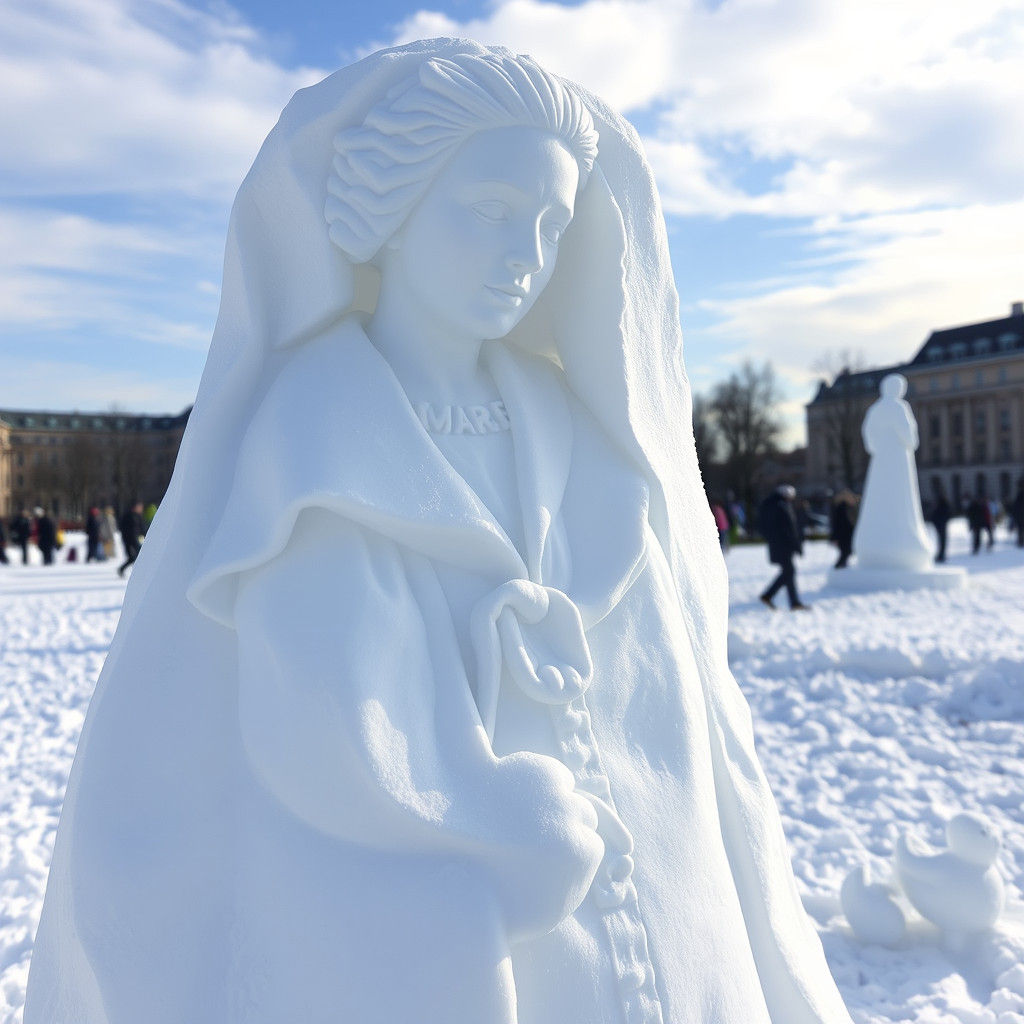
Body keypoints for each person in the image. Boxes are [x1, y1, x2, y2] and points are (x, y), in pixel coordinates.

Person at [26, 42, 853, 1024]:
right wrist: (496, 818)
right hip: (430, 905)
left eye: (549, 224)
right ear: (393, 213)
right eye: (491, 212)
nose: (524, 255)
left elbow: (652, 676)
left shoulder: (566, 419)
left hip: (638, 921)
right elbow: (322, 704)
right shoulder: (319, 427)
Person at [758, 484, 809, 610]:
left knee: (789, 572)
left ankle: (792, 601)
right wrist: (796, 545)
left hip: (777, 545)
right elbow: (789, 529)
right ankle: (770, 595)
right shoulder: (782, 506)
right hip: (784, 546)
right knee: (789, 572)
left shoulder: (770, 505)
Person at [117, 501, 144, 577]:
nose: (141, 509)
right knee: (132, 558)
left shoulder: (138, 516)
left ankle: (139, 573)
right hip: (129, 540)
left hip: (136, 539)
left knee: (139, 556)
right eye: (139, 507)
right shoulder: (128, 516)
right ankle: (122, 569)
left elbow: (141, 528)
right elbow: (123, 528)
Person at [829, 491, 855, 569]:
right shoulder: (842, 508)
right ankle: (839, 569)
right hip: (843, 536)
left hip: (844, 535)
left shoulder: (845, 508)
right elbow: (837, 524)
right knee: (845, 553)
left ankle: (841, 568)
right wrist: (835, 537)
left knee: (845, 553)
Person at [929, 486, 952, 563]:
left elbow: (935, 515)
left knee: (942, 541)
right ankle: (941, 555)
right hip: (941, 524)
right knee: (942, 541)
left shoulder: (940, 504)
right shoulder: (943, 504)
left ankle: (941, 555)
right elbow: (948, 514)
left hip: (941, 524)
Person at [1012, 479, 1024, 548]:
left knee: (1020, 529)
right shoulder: (1019, 496)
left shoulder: (1018, 497)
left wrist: (1015, 516)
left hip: (1019, 517)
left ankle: (1020, 541)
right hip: (1020, 517)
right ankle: (1020, 541)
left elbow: (1015, 508)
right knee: (1020, 529)